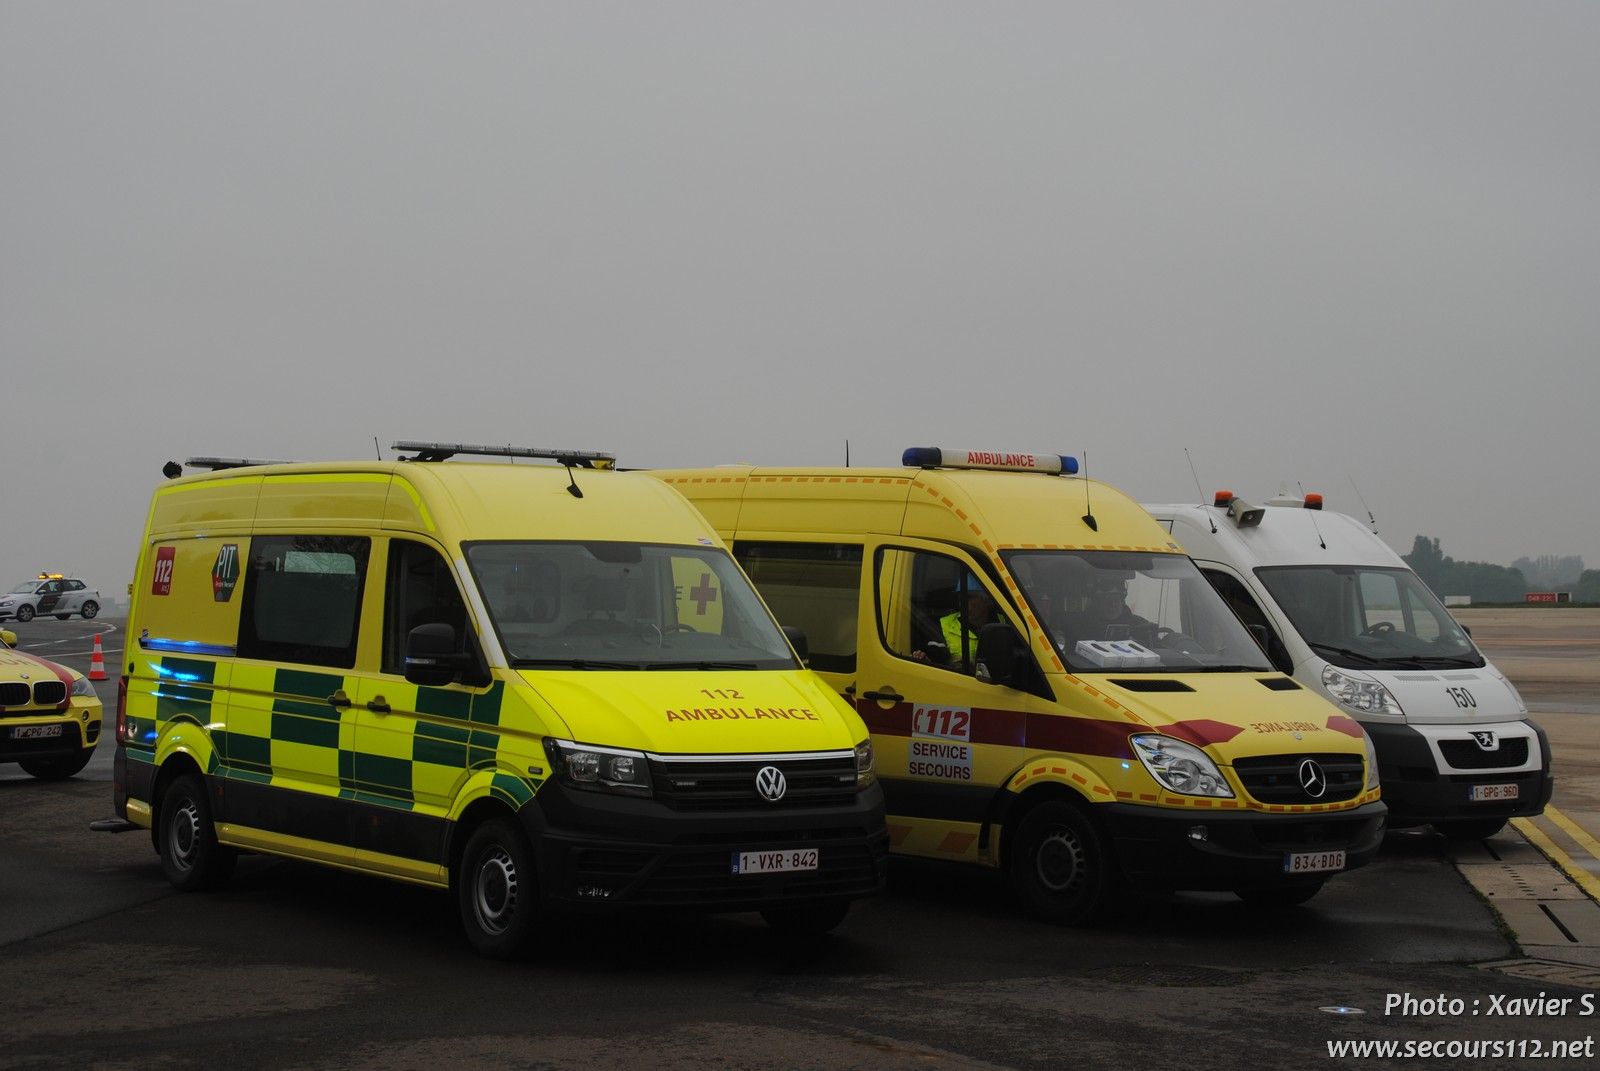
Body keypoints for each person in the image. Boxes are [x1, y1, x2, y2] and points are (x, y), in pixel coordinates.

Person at [938, 575, 996, 671]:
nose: (962, 602)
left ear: (987, 600)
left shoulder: (1005, 623)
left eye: (969, 597)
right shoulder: (945, 624)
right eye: (960, 597)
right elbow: (934, 662)